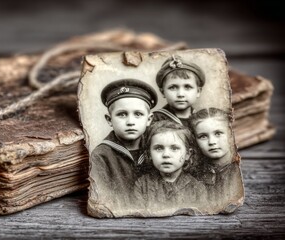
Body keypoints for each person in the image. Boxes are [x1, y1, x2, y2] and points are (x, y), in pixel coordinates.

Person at [88, 78, 157, 217]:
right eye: (122, 114)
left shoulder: (156, 149)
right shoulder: (101, 156)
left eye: (138, 114)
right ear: (109, 120)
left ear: (149, 119)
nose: (130, 122)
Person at [134, 120, 207, 213]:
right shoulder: (142, 185)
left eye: (174, 148)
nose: (166, 155)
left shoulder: (197, 189)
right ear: (149, 154)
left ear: (188, 154)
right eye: (159, 148)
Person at [189, 108, 244, 209]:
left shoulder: (238, 172)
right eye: (203, 136)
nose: (212, 142)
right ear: (195, 140)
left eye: (218, 133)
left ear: (231, 134)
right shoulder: (194, 174)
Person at [152, 55, 205, 127]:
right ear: (162, 92)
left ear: (198, 91)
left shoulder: (201, 119)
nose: (180, 94)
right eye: (173, 88)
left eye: (187, 87)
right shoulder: (156, 120)